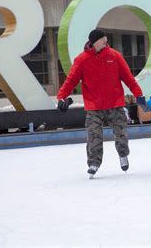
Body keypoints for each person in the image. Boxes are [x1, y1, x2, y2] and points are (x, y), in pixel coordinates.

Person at [57, 29, 143, 179]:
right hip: (94, 105)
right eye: (103, 38)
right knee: (94, 135)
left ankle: (123, 154)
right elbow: (71, 80)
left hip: (115, 102)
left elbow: (128, 77)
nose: (105, 40)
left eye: (105, 38)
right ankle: (93, 163)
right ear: (95, 41)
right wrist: (61, 97)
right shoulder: (82, 59)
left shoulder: (114, 56)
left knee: (121, 132)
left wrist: (138, 94)